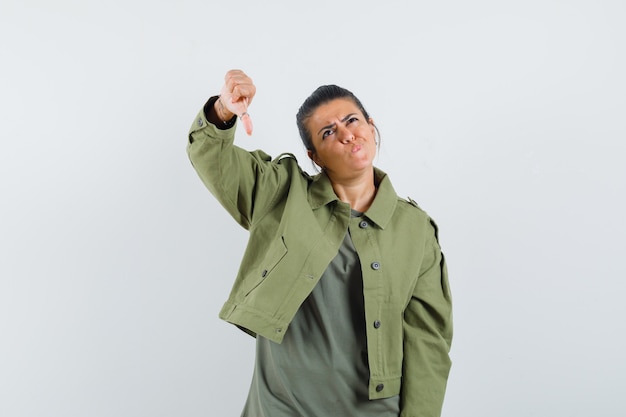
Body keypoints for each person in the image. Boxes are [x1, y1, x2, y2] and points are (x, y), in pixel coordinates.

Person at [187, 69, 453, 417]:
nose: (346, 134)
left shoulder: (415, 229)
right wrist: (223, 109)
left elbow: (427, 341)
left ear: (371, 127)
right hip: (281, 408)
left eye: (352, 120)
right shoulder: (280, 193)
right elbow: (212, 157)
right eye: (329, 132)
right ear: (315, 156)